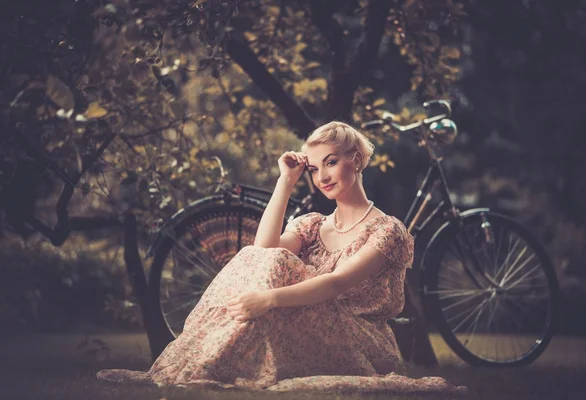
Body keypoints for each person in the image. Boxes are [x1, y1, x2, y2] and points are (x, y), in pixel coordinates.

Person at [97, 121, 467, 395]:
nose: (322, 176)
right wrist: (285, 182)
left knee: (276, 265)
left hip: (361, 340)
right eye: (314, 168)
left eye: (332, 162)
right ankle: (204, 360)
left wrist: (268, 299)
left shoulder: (387, 231)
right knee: (263, 256)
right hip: (311, 322)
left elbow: (337, 283)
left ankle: (208, 363)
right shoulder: (313, 223)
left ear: (356, 160)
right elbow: (262, 249)